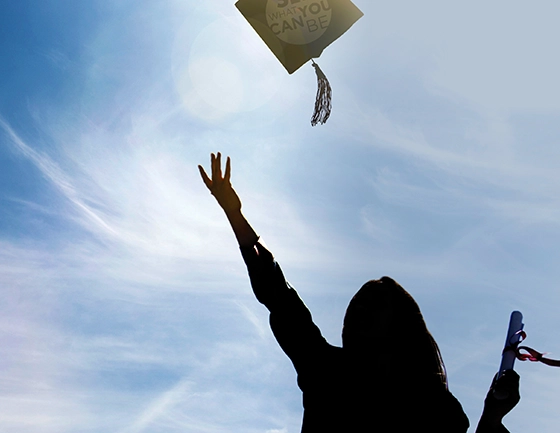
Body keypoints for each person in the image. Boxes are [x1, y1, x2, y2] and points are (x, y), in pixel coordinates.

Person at [199, 152, 520, 432]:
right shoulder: (326, 371)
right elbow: (277, 295)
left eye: (375, 303)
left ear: (400, 325)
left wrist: (492, 417)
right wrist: (235, 215)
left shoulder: (438, 409)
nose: (359, 308)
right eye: (358, 302)